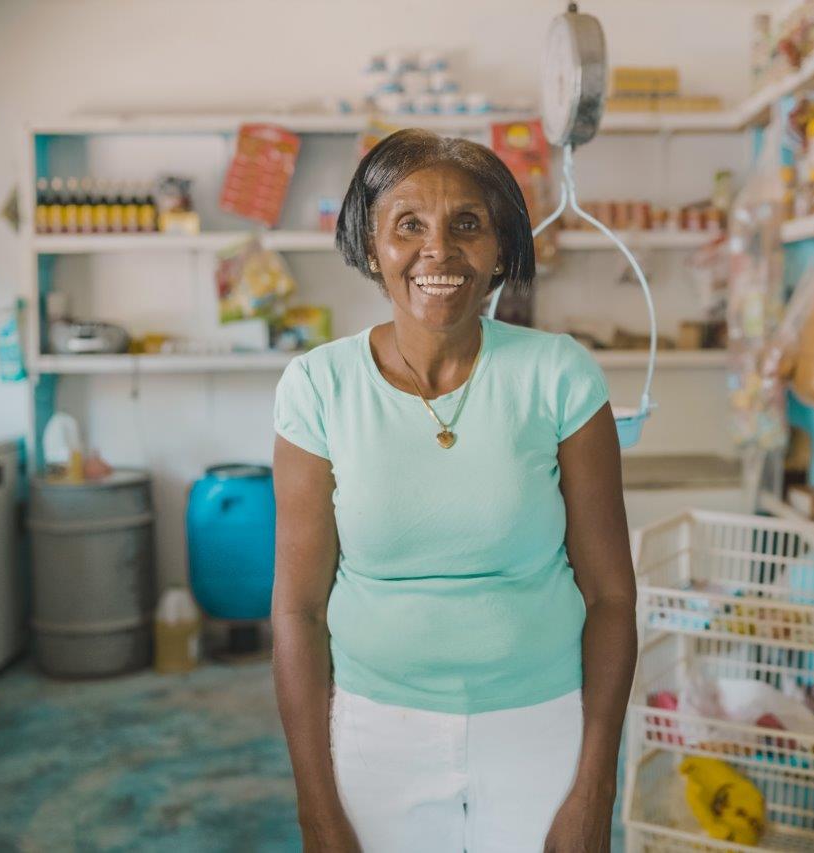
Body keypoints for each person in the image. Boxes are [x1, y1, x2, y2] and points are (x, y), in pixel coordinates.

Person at [271, 128, 637, 852]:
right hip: (376, 730)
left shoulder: (560, 376)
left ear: (500, 249)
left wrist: (596, 787)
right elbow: (297, 609)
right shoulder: (319, 386)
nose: (438, 250)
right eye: (409, 225)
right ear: (372, 247)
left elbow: (612, 597)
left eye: (466, 224)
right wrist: (316, 805)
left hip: (542, 727)